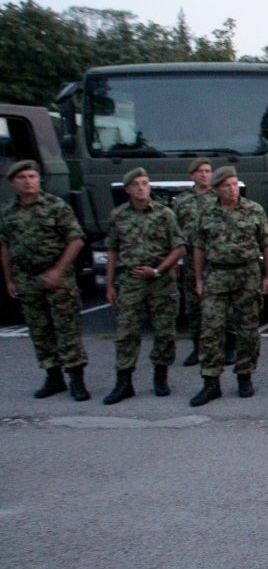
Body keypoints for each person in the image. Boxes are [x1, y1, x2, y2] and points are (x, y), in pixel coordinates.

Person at [0, 160, 89, 401]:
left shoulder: (56, 206)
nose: (28, 181)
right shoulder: (7, 211)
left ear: (39, 179)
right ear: (12, 183)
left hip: (58, 279)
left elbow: (76, 240)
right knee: (39, 330)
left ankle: (77, 379)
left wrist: (58, 271)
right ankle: (53, 377)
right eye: (22, 178)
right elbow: (5, 245)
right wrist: (8, 279)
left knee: (67, 329)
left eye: (32, 176)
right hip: (27, 279)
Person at [189, 166, 268, 406]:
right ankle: (210, 382)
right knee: (211, 330)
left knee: (248, 330)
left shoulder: (253, 210)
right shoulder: (206, 213)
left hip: (247, 275)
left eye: (235, 184)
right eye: (227, 185)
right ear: (216, 189)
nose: (232, 189)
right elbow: (199, 248)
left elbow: (266, 243)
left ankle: (244, 376)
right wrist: (198, 279)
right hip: (216, 276)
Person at [102, 168, 186, 404]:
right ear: (127, 189)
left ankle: (161, 377)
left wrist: (158, 270)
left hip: (161, 282)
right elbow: (112, 251)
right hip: (131, 282)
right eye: (136, 184)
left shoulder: (164, 214)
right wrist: (109, 285)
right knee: (126, 332)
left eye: (145, 183)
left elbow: (179, 247)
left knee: (164, 331)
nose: (141, 187)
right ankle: (124, 382)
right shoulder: (118, 216)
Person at [173, 157, 215, 366]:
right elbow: (175, 233)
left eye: (208, 171)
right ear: (192, 175)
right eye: (200, 171)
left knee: (222, 307)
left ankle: (226, 346)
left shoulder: (219, 197)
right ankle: (197, 347)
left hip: (216, 260)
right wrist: (174, 262)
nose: (204, 174)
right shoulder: (181, 201)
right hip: (190, 260)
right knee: (193, 306)